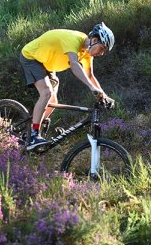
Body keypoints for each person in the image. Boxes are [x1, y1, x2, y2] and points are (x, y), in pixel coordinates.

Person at [20, 22, 115, 151]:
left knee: (53, 101)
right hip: (31, 57)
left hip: (46, 65)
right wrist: (92, 88)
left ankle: (31, 131)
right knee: (46, 93)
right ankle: (33, 135)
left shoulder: (86, 53)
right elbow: (74, 65)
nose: (102, 53)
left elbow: (90, 75)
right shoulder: (73, 40)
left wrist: (104, 95)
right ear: (94, 40)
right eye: (102, 48)